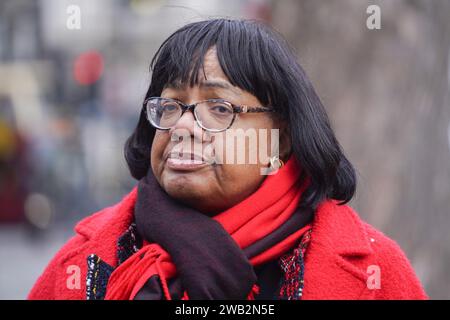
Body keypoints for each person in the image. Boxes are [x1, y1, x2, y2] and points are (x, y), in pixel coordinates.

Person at [28, 18, 427, 300]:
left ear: (280, 141)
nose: (184, 126)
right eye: (171, 106)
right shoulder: (84, 260)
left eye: (219, 108)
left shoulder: (377, 269)